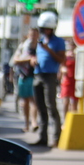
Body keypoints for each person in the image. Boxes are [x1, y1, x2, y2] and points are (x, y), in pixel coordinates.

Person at [30, 11, 65, 148]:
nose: (45, 31)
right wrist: (33, 60)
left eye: (48, 29)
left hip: (49, 77)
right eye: (44, 29)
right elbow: (36, 56)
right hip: (38, 75)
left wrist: (48, 50)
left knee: (51, 107)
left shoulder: (58, 42)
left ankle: (56, 138)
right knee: (41, 108)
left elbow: (61, 59)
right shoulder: (40, 41)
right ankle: (42, 138)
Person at [11, 28, 39, 132]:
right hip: (23, 76)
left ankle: (34, 122)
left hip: (35, 76)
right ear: (28, 35)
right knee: (25, 101)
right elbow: (15, 60)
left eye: (35, 34)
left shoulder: (40, 47)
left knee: (33, 100)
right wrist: (29, 59)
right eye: (31, 34)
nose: (33, 36)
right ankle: (27, 124)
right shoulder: (23, 46)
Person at [60, 40, 78, 122]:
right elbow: (62, 66)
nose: (72, 46)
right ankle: (65, 120)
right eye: (71, 44)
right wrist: (63, 71)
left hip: (76, 81)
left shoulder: (79, 55)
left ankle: (73, 121)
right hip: (67, 81)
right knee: (66, 101)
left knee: (74, 102)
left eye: (74, 45)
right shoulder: (65, 56)